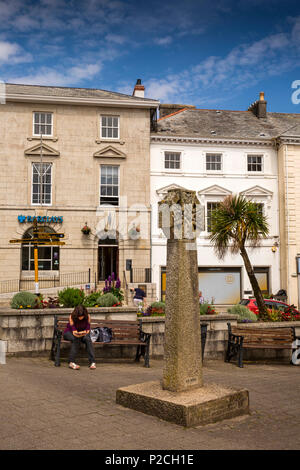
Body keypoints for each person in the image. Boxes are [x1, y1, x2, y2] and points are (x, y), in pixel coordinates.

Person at [63, 304, 96, 370]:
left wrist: (82, 333)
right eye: (79, 316)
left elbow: (87, 329)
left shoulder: (88, 316)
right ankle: (71, 362)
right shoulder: (72, 316)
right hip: (69, 333)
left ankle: (92, 362)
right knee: (76, 339)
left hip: (81, 334)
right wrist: (81, 333)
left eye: (82, 316)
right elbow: (74, 332)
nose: (80, 318)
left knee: (87, 339)